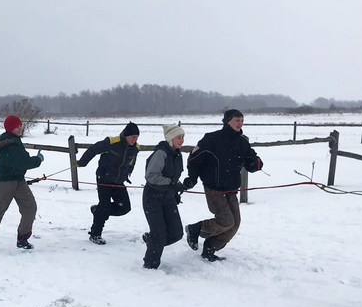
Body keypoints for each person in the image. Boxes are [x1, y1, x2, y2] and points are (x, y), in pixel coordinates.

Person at [183, 109, 264, 262]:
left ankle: (210, 248)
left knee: (234, 225)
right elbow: (194, 158)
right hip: (214, 188)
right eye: (237, 120)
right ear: (227, 121)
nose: (240, 123)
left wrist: (256, 163)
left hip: (231, 189)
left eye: (242, 120)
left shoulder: (242, 142)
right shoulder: (212, 139)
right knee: (226, 221)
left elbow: (251, 161)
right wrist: (192, 178)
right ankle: (196, 229)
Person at [0, 115, 43, 251]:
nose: (20, 128)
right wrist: (37, 160)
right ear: (10, 128)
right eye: (17, 126)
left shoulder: (15, 140)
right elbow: (23, 161)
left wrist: (32, 160)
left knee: (30, 208)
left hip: (19, 180)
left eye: (21, 125)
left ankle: (23, 238)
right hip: (6, 182)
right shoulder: (10, 144)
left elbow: (22, 159)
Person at [77, 122, 140, 245]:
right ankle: (95, 234)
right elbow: (93, 149)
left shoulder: (135, 148)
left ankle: (98, 210)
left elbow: (132, 160)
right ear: (126, 135)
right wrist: (82, 162)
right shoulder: (112, 142)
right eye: (133, 137)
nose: (135, 140)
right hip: (104, 179)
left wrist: (129, 171)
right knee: (105, 206)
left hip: (119, 181)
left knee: (125, 207)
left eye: (137, 137)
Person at [141, 124, 187, 269]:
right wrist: (172, 184)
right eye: (178, 137)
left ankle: (151, 241)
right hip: (152, 198)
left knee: (176, 233)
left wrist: (177, 188)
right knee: (159, 234)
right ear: (170, 139)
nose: (181, 140)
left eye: (183, 137)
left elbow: (174, 175)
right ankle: (150, 266)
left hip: (168, 197)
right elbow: (151, 176)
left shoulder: (177, 154)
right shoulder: (161, 153)